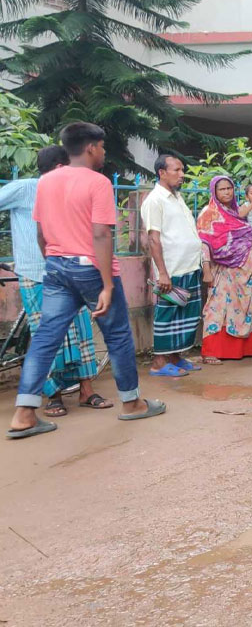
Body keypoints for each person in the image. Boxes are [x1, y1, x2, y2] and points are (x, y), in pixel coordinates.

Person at [8, 123, 165, 439]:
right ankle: (132, 403)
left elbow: (40, 233)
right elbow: (100, 233)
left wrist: (53, 259)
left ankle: (24, 413)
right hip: (90, 270)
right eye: (103, 147)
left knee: (46, 337)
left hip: (55, 268)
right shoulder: (98, 182)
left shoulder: (46, 182)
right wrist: (106, 285)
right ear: (91, 147)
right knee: (118, 334)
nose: (104, 152)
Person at [0, 145, 110, 418]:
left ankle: (87, 391)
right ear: (61, 168)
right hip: (36, 274)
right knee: (46, 337)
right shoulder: (26, 188)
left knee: (83, 333)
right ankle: (54, 396)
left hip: (74, 270)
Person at [142, 154, 204, 377]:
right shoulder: (154, 200)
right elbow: (153, 239)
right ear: (162, 172)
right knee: (167, 315)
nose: (182, 174)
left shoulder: (176, 197)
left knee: (185, 315)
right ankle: (159, 362)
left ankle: (176, 357)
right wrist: (163, 273)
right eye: (176, 170)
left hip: (188, 266)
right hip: (172, 269)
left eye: (182, 170)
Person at [197, 175, 252, 364]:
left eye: (229, 188)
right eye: (221, 189)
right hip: (220, 270)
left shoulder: (235, 212)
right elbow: (204, 243)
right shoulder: (208, 213)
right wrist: (206, 270)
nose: (226, 192)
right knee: (217, 309)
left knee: (242, 309)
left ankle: (241, 350)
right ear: (214, 192)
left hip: (242, 272)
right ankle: (212, 351)